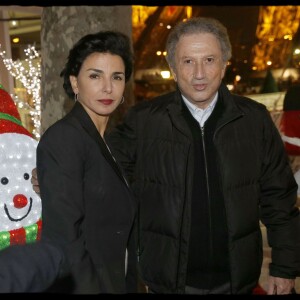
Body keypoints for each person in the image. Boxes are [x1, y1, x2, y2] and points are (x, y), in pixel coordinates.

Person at [32, 17, 300, 295]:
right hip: (167, 283)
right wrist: (50, 176)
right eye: (187, 61)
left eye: (209, 60)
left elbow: (279, 197)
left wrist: (284, 266)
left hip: (238, 280)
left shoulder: (254, 120)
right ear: (172, 68)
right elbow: (102, 166)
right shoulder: (143, 121)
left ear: (224, 65)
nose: (199, 73)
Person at [1, 30, 138, 294]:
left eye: (116, 77)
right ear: (75, 83)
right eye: (95, 76)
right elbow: (64, 237)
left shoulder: (106, 139)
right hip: (89, 284)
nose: (107, 87)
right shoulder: (65, 138)